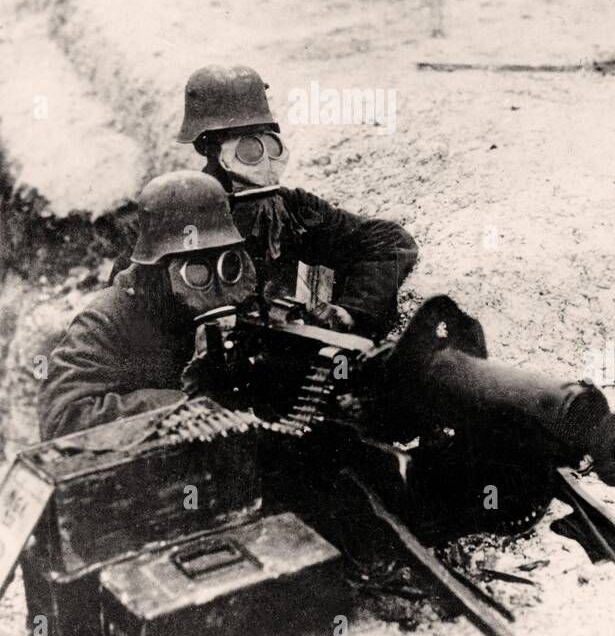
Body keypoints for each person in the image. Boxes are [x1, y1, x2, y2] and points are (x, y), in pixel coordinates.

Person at [178, 64, 417, 338]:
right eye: (245, 146)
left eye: (265, 141)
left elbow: (389, 240)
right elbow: (128, 313)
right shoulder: (175, 216)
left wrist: (350, 311)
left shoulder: (290, 209)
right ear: (207, 147)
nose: (261, 158)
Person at [39, 171, 255, 439]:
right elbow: (61, 418)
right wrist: (175, 405)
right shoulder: (108, 318)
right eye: (196, 269)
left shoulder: (238, 292)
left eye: (227, 263)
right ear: (157, 264)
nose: (216, 283)